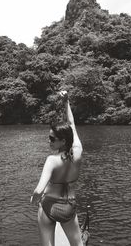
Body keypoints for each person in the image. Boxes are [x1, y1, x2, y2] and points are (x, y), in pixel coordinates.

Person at [30, 90, 83, 246]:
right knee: (77, 243)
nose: (49, 141)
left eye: (52, 139)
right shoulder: (78, 151)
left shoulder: (52, 160)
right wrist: (66, 101)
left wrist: (33, 199)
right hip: (69, 205)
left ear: (63, 141)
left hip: (49, 206)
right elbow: (72, 124)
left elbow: (39, 191)